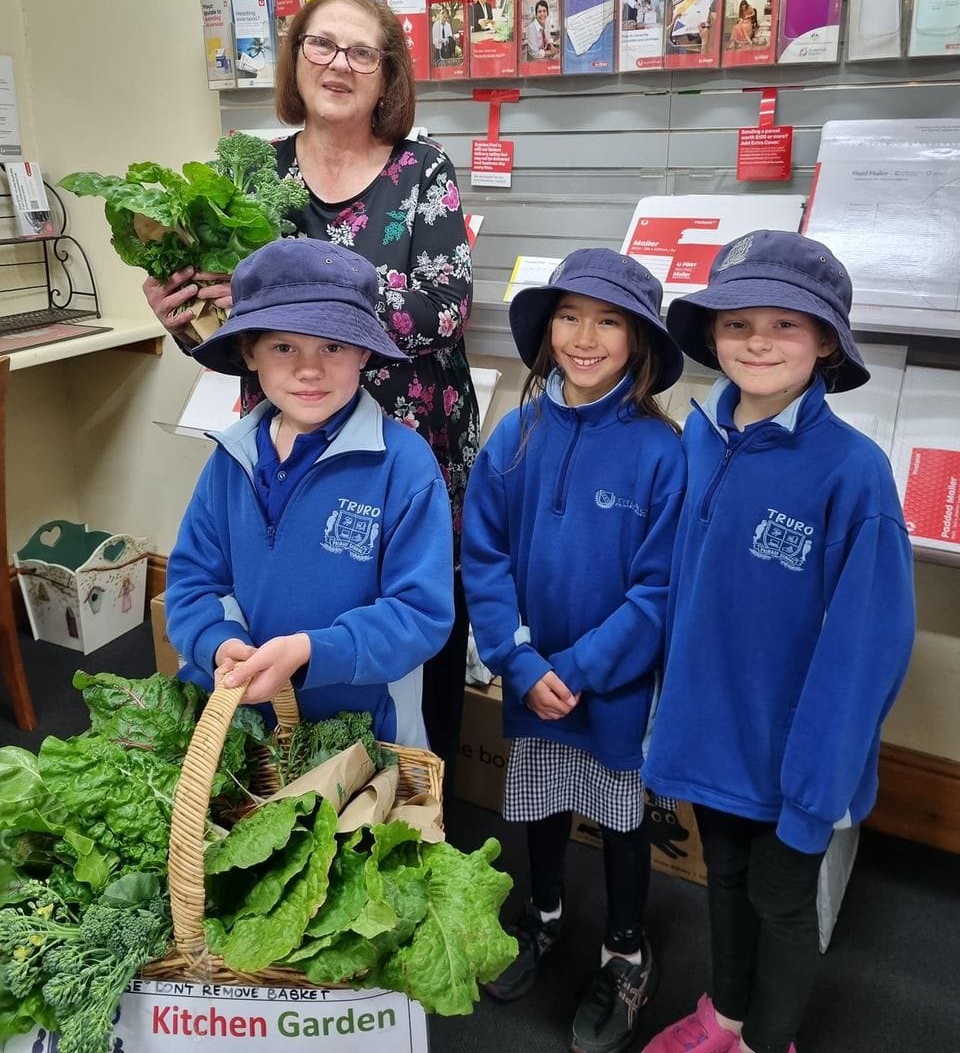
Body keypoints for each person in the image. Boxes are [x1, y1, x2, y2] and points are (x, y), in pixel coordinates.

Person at [143, 0, 479, 786]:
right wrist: (183, 313)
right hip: (288, 435)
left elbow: (446, 306)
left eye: (363, 51)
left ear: (387, 72)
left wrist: (329, 294)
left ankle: (413, 792)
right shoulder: (255, 172)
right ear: (294, 58)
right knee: (278, 607)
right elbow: (240, 329)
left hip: (406, 444)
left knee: (408, 632)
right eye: (322, 44)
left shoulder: (421, 169)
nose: (339, 64)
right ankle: (282, 776)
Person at [640, 230, 915, 1053]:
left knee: (783, 903)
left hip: (793, 756)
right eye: (737, 322)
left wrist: (816, 783)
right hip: (705, 736)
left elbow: (867, 647)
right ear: (713, 335)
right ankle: (725, 1015)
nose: (758, 341)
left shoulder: (853, 473)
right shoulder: (697, 437)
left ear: (827, 340)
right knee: (721, 881)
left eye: (786, 324)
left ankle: (768, 1041)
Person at [462, 249, 687, 1053]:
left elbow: (657, 591)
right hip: (531, 676)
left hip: (613, 686)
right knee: (542, 800)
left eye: (609, 321)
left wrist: (583, 669)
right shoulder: (513, 437)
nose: (584, 337)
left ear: (640, 342)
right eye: (568, 315)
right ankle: (547, 910)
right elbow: (483, 556)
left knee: (623, 817)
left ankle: (627, 948)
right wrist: (519, 662)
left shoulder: (665, 454)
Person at [164, 238, 454, 745]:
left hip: (363, 735)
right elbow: (192, 581)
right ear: (249, 352)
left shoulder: (404, 466)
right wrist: (216, 642)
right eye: (283, 347)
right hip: (243, 728)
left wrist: (312, 652)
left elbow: (421, 614)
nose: (309, 369)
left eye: (333, 346)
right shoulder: (229, 461)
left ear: (364, 351)